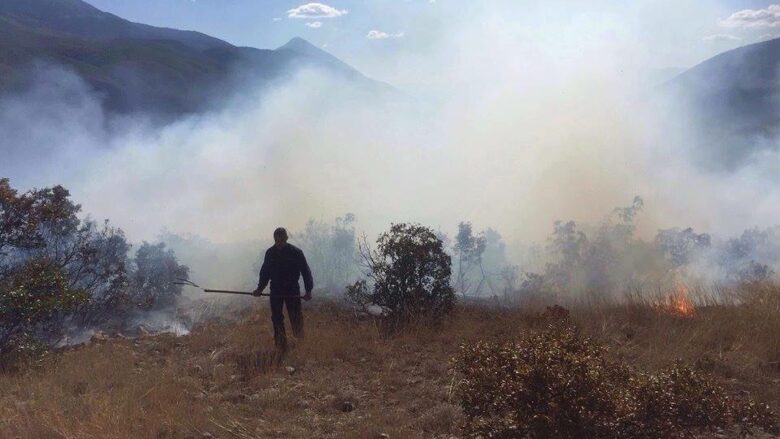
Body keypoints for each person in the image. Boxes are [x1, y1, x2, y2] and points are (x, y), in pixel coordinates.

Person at [254, 227, 313, 350]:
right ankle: (281, 345)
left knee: (295, 316)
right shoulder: (270, 253)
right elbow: (265, 273)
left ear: (286, 238)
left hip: (292, 290)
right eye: (276, 240)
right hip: (276, 290)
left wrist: (308, 290)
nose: (279, 243)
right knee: (276, 318)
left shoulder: (296, 252)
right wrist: (260, 289)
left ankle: (300, 344)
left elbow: (306, 272)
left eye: (281, 240)